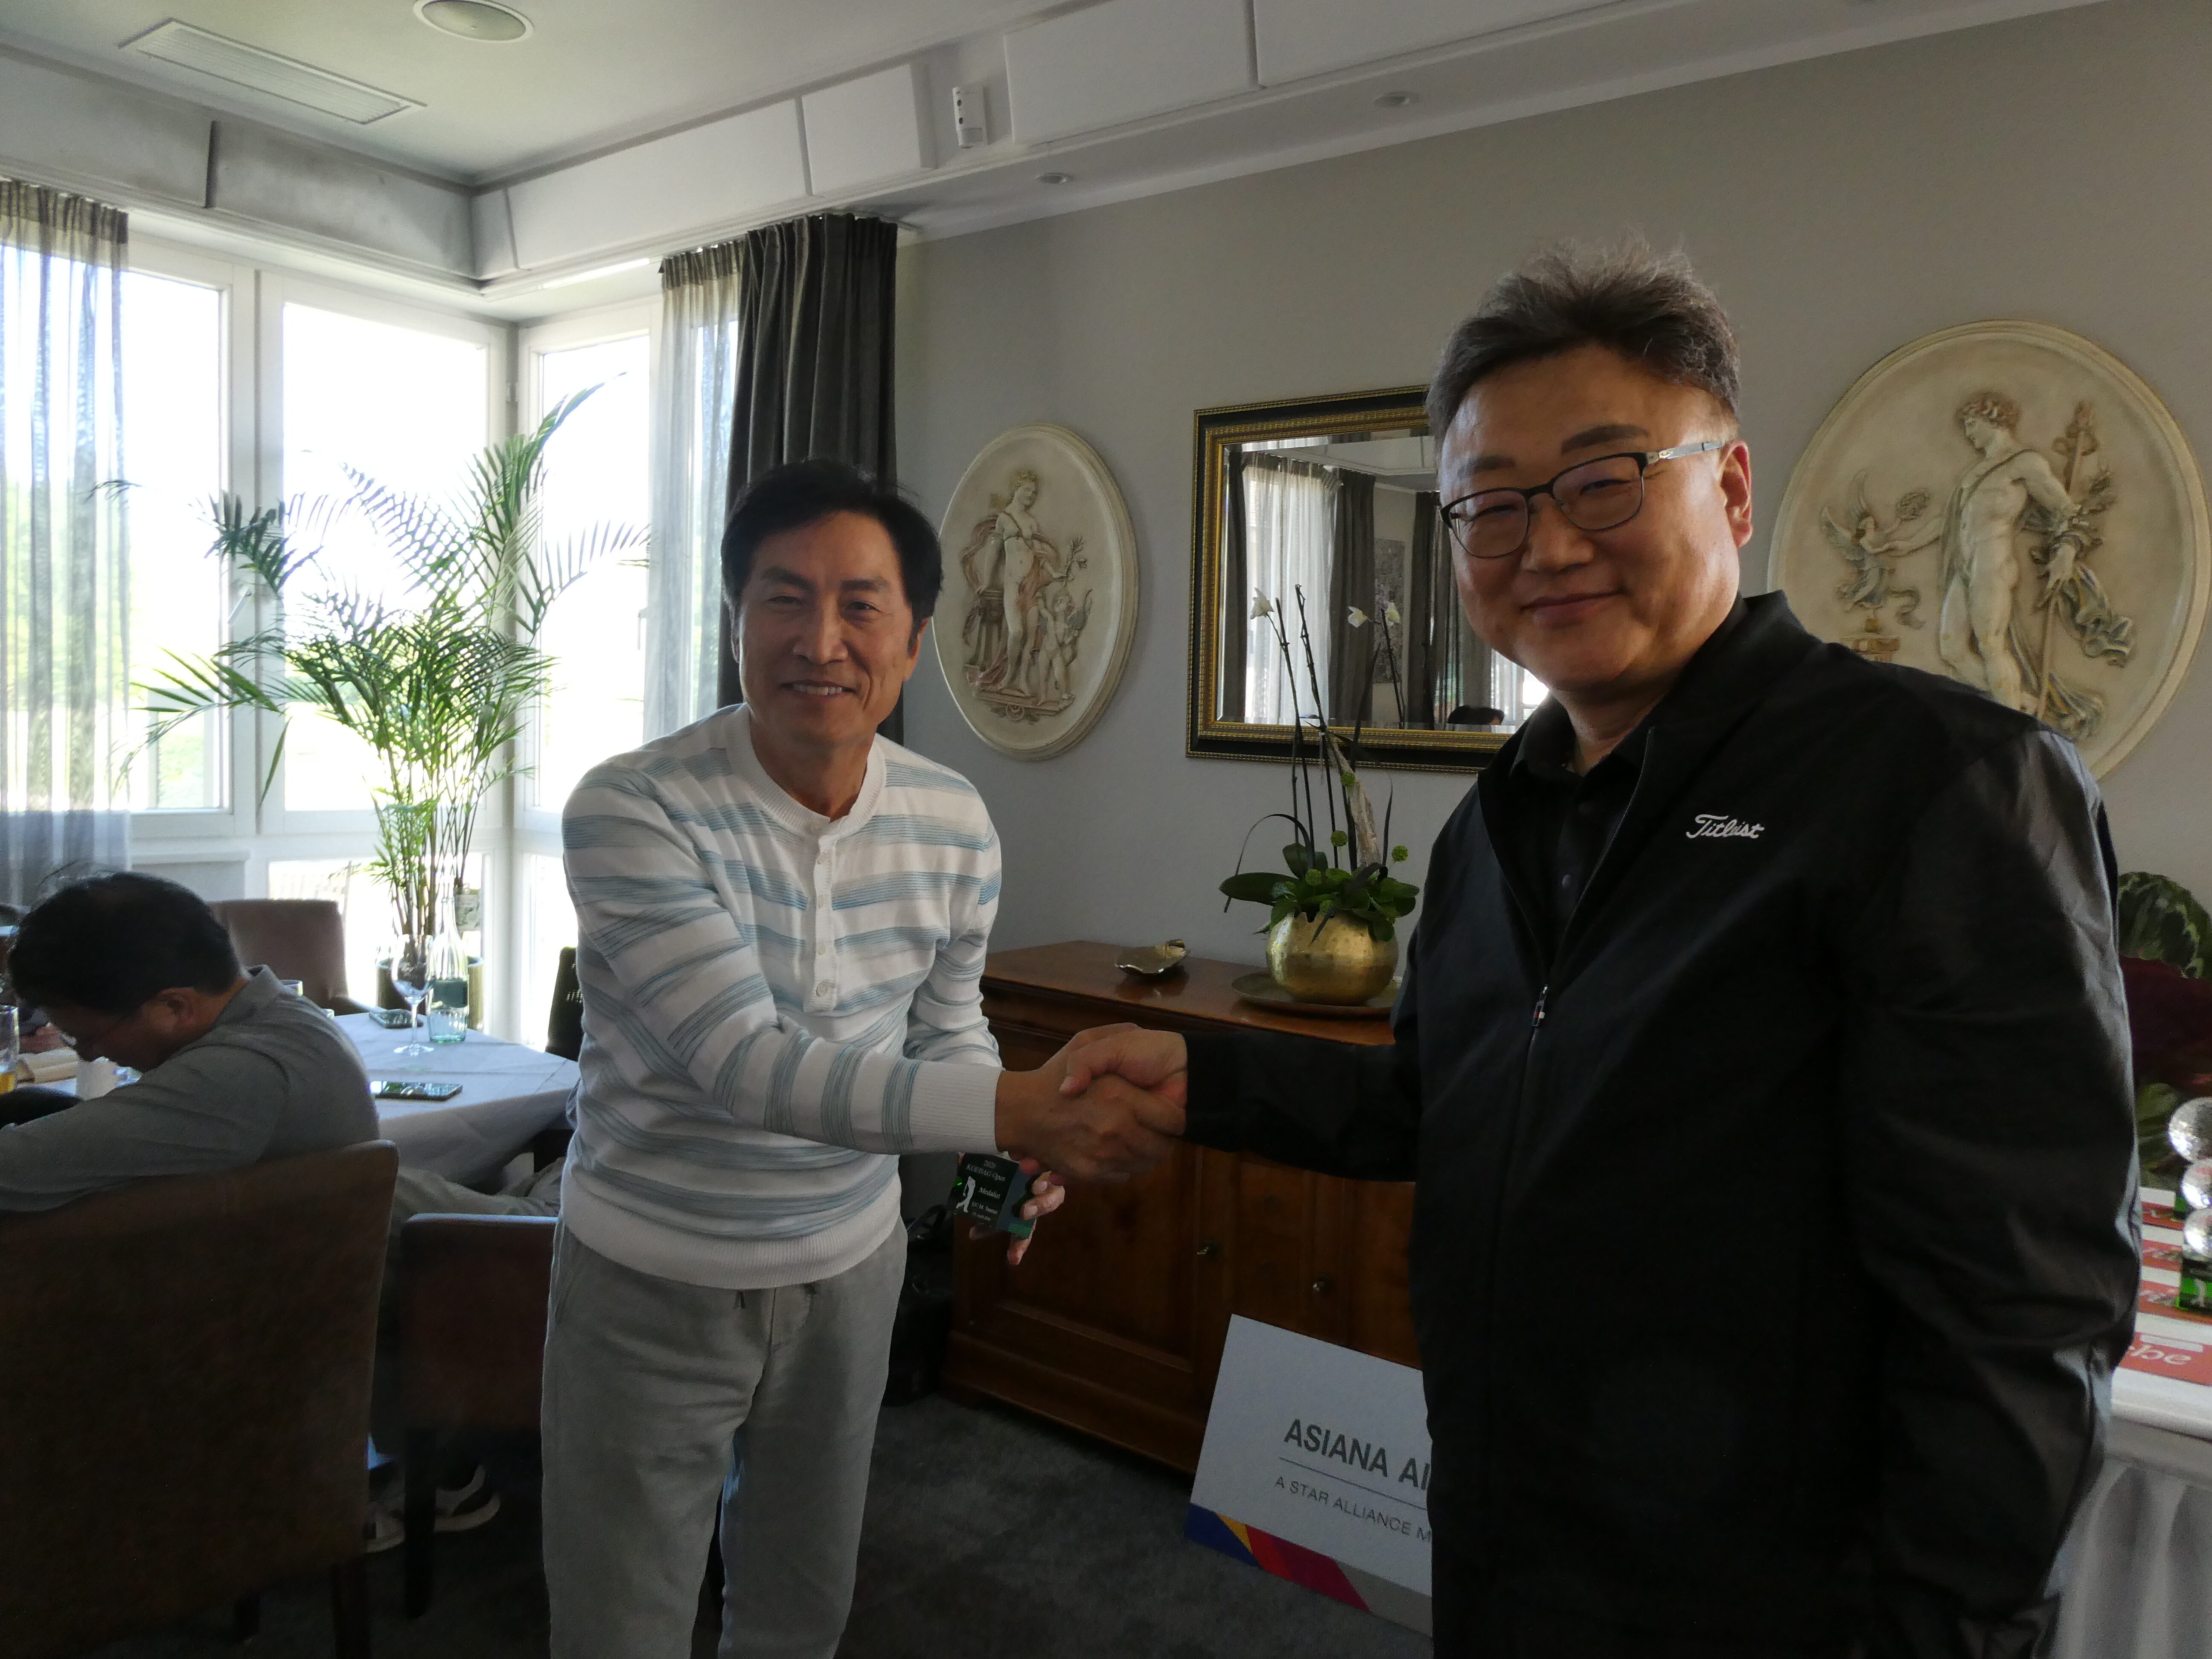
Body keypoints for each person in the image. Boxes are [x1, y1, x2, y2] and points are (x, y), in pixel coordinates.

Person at [1062, 242, 2138, 1658]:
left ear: (1732, 488)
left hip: (1780, 1606)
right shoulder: (1499, 822)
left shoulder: (1935, 785)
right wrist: (1197, 1076)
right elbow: (1444, 1097)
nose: (1549, 545)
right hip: (1508, 1545)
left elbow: (2023, 1306)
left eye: (1602, 479)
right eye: (1491, 505)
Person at [543, 457, 1178, 1659]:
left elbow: (945, 1027)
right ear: (734, 619)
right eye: (783, 598)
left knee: (800, 1613)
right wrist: (1017, 1112)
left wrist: (998, 1170)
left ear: (916, 637)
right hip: (651, 1279)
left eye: (860, 605)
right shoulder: (631, 808)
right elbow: (745, 1063)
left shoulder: (954, 821)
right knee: (620, 1629)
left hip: (849, 1271)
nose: (820, 640)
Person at [0, 872, 376, 1211]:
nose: (88, 1054)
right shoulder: (285, 1013)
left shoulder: (238, 1073)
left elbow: (11, 1168)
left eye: (87, 1037)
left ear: (174, 1007)